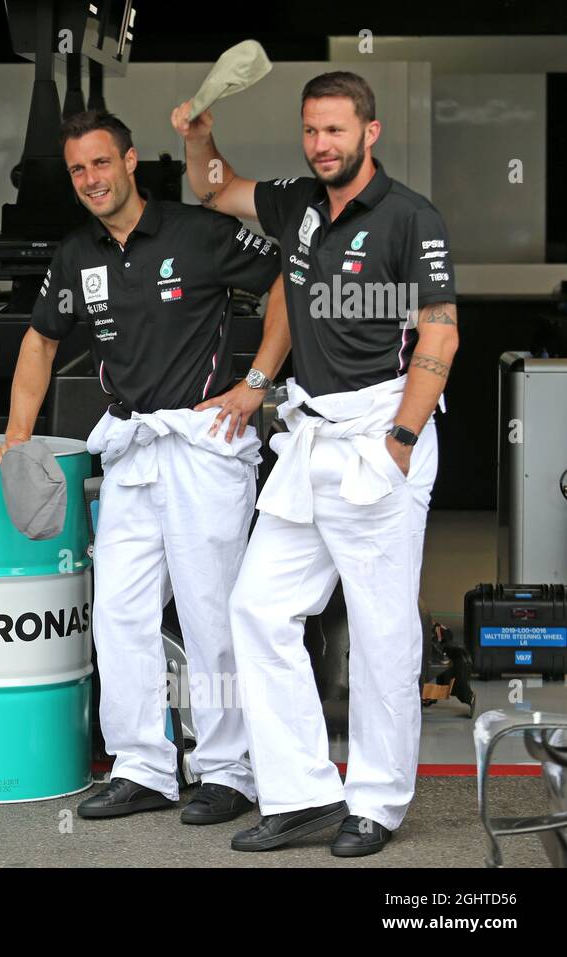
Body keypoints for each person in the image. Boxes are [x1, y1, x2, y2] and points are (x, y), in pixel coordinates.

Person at [172, 70, 459, 856]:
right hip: (310, 434)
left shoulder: (410, 218)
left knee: (382, 630)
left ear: (370, 132)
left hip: (380, 434)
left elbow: (439, 335)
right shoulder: (297, 202)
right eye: (310, 130)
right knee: (258, 607)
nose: (321, 144)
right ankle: (303, 794)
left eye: (335, 130)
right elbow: (214, 187)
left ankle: (378, 801)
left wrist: (400, 442)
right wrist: (198, 133)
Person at [0, 110, 285, 825]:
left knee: (209, 614)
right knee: (119, 613)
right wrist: (16, 435)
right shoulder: (76, 255)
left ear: (130, 162)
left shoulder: (201, 231)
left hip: (204, 441)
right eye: (77, 171)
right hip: (128, 447)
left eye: (101, 163)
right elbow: (39, 341)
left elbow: (289, 284)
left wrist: (257, 382)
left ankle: (228, 770)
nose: (91, 180)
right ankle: (143, 766)